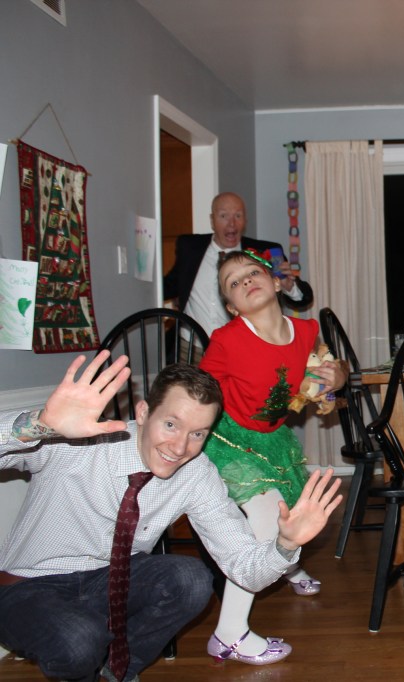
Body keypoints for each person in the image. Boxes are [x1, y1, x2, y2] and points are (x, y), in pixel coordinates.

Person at [0, 352, 341, 682]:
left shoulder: (196, 474)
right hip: (29, 587)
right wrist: (39, 425)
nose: (180, 448)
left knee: (191, 580)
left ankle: (118, 671)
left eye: (197, 434)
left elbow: (244, 569)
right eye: (170, 425)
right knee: (80, 640)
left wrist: (285, 544)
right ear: (143, 412)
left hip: (111, 582)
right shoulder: (78, 443)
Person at [198, 249, 347, 665]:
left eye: (253, 272)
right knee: (268, 520)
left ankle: (287, 567)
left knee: (294, 507)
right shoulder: (227, 339)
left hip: (271, 437)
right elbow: (198, 390)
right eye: (234, 282)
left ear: (277, 282)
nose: (246, 280)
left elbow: (328, 364)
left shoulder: (305, 330)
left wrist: (338, 375)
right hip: (227, 437)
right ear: (232, 307)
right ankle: (229, 632)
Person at [163, 192, 313, 336]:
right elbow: (169, 286)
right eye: (224, 216)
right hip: (190, 347)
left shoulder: (264, 251)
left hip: (240, 347)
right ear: (212, 220)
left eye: (238, 215)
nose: (232, 223)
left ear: (245, 220)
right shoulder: (189, 247)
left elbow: (303, 300)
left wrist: (288, 286)